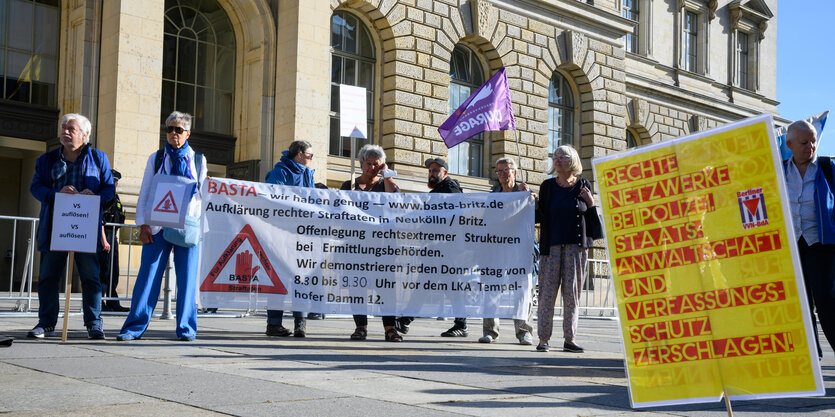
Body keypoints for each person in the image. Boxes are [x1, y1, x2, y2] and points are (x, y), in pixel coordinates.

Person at [117, 111, 207, 341]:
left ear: (187, 133)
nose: (173, 134)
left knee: (187, 280)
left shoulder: (198, 160)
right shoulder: (156, 158)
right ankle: (133, 327)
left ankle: (187, 329)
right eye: (169, 129)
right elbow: (146, 190)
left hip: (187, 225)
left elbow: (203, 195)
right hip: (156, 225)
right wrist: (143, 224)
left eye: (178, 130)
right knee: (147, 277)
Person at [28, 113, 115, 339]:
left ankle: (94, 324)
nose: (65, 132)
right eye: (63, 128)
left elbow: (109, 189)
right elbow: (36, 188)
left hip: (86, 229)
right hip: (55, 227)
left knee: (91, 277)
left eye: (71, 129)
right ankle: (46, 323)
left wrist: (94, 195)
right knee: (48, 277)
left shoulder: (98, 158)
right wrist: (56, 194)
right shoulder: (47, 160)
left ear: (85, 135)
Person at [535, 145, 595, 353]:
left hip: (576, 248)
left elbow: (593, 221)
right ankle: (543, 339)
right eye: (556, 156)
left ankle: (570, 339)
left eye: (563, 156)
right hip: (551, 247)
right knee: (547, 294)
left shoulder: (583, 185)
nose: (558, 159)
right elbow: (539, 218)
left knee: (572, 294)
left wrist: (591, 202)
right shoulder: (548, 186)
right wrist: (533, 203)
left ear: (573, 160)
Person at [784, 120, 835, 360]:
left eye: (813, 141)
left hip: (822, 245)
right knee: (800, 305)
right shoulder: (779, 170)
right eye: (804, 142)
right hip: (791, 246)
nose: (810, 147)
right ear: (790, 144)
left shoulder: (828, 168)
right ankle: (812, 359)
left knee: (827, 302)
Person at [340, 144, 402, 342]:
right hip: (355, 246)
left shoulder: (384, 184)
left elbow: (397, 201)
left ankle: (390, 328)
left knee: (386, 288)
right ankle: (360, 327)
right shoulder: (349, 185)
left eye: (376, 164)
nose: (372, 168)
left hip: (383, 247)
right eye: (369, 163)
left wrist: (388, 175)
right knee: (357, 287)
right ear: (361, 164)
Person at [479, 157, 536, 345]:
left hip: (520, 250)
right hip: (496, 249)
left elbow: (538, 217)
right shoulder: (492, 197)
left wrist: (530, 199)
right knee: (492, 289)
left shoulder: (525, 193)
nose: (503, 174)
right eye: (499, 171)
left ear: (515, 173)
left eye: (507, 170)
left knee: (522, 291)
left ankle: (524, 332)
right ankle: (490, 331)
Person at [264, 140, 315, 338]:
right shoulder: (280, 172)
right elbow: (271, 198)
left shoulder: (308, 174)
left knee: (301, 279)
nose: (311, 159)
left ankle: (300, 324)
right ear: (300, 155)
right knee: (279, 279)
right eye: (310, 155)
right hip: (281, 235)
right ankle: (274, 324)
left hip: (302, 234)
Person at [424, 157, 469, 338]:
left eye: (436, 171)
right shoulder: (438, 190)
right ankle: (405, 321)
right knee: (426, 282)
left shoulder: (449, 188)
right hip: (438, 246)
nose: (432, 174)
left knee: (451, 286)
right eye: (430, 171)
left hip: (449, 247)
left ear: (445, 173)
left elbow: (453, 216)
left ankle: (462, 324)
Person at [98, 169, 129, 312]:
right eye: (113, 181)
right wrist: (104, 240)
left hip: (113, 236)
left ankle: (111, 301)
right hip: (104, 236)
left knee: (113, 271)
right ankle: (99, 302)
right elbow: (100, 220)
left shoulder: (115, 197)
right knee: (104, 271)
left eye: (116, 182)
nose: (115, 184)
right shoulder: (103, 196)